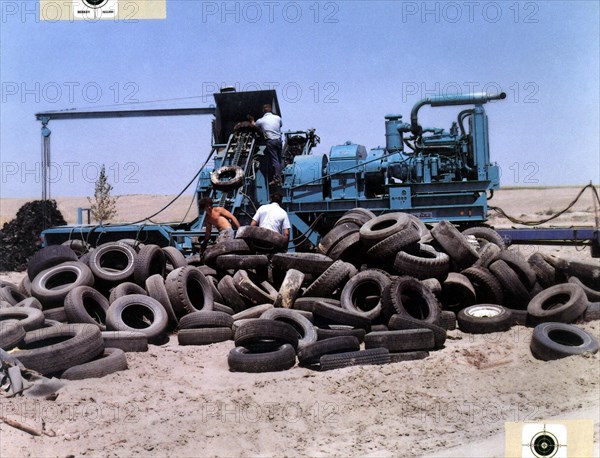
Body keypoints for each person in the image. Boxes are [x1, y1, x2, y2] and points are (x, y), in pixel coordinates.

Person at [254, 104, 283, 186]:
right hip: (278, 141)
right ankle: (279, 176)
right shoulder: (277, 118)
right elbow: (280, 125)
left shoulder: (261, 120)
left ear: (263, 110)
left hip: (270, 141)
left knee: (275, 160)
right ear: (271, 110)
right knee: (279, 160)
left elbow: (254, 127)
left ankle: (277, 179)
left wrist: (252, 120)